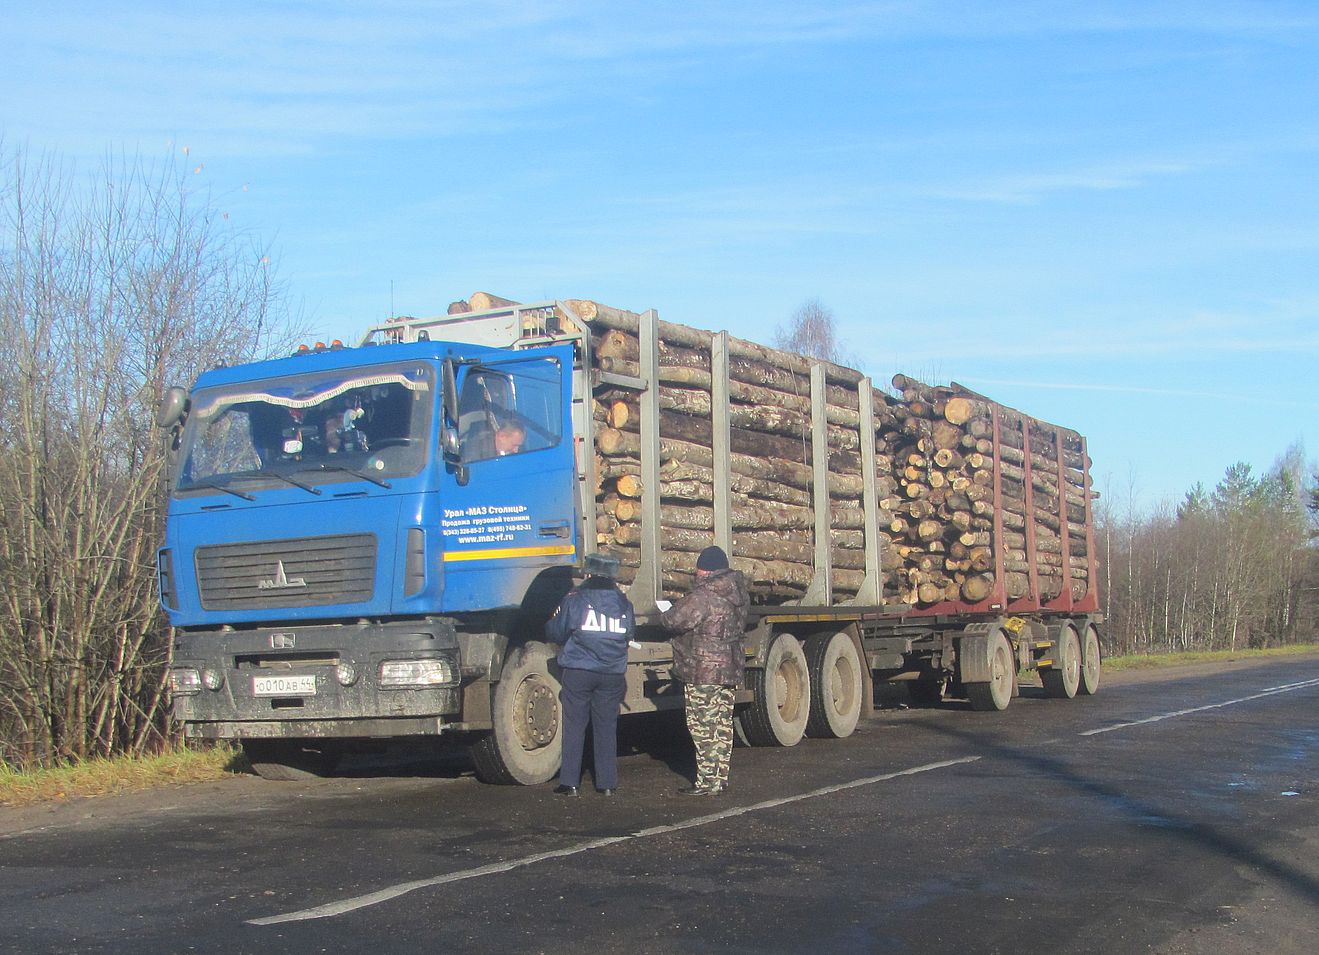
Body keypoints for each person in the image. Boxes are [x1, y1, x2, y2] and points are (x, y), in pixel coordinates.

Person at [661, 545, 749, 796]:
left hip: (704, 671)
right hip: (729, 668)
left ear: (705, 570)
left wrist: (665, 610)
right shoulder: (738, 594)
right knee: (722, 725)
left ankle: (706, 782)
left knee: (703, 727)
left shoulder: (703, 596)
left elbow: (672, 620)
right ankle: (720, 777)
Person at [545, 552, 635, 797]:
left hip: (579, 670)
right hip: (612, 674)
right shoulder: (624, 604)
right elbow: (629, 635)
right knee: (606, 727)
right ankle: (606, 783)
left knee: (574, 725)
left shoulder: (575, 599)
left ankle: (570, 782)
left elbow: (557, 631)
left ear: (589, 573)